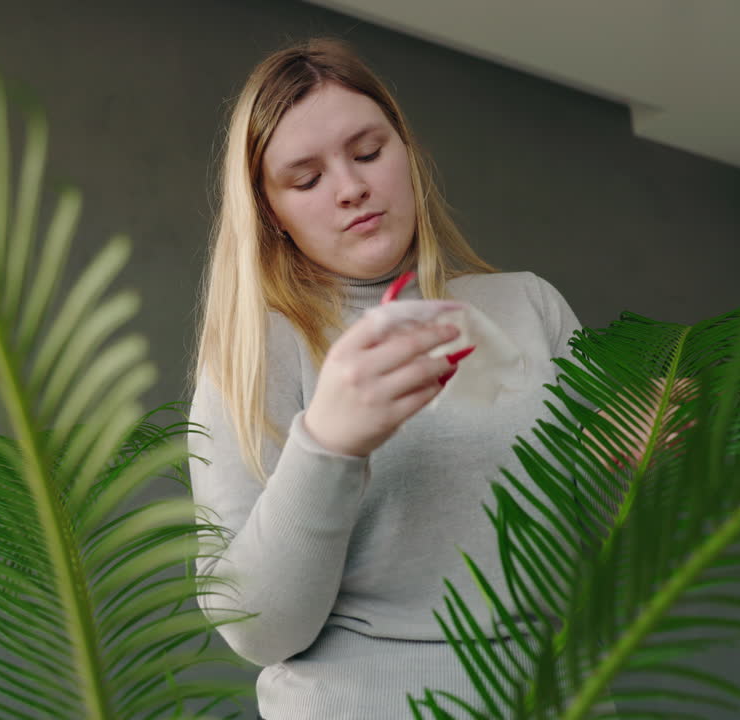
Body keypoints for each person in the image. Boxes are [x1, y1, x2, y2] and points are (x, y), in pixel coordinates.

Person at [186, 37, 600, 719]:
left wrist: (646, 456)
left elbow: (607, 553)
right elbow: (259, 629)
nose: (351, 188)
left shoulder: (528, 307)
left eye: (369, 152)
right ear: (270, 214)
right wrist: (328, 444)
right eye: (307, 178)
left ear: (407, 153)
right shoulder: (256, 351)